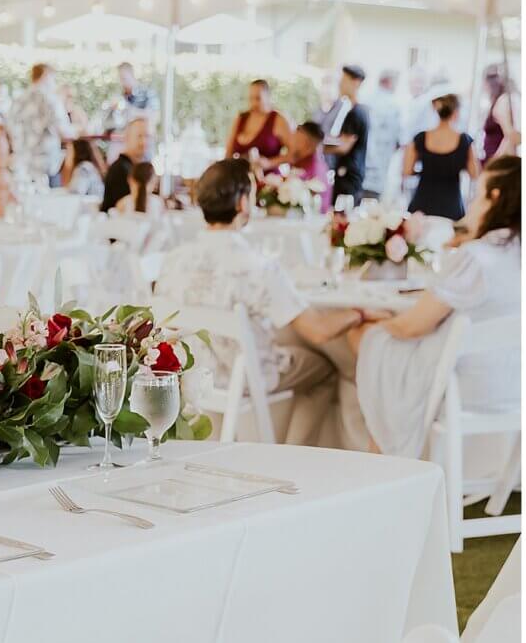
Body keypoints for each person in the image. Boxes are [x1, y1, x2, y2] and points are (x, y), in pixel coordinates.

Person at [152, 156, 370, 443]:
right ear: (242, 203)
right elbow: (318, 331)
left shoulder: (173, 260)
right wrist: (358, 314)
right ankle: (294, 451)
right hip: (242, 377)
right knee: (325, 368)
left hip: (192, 375)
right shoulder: (257, 266)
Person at [346, 154, 520, 456]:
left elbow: (412, 326)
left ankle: (376, 458)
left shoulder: (476, 257)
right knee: (380, 345)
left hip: (466, 387)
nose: (474, 203)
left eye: (478, 194)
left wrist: (379, 321)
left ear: (495, 198)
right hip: (515, 386)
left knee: (364, 337)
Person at [402, 93, 478, 224]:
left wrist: (424, 171)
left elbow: (407, 171)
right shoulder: (465, 141)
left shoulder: (420, 138)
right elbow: (474, 174)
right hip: (451, 205)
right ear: (456, 112)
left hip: (422, 203)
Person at [10, 62, 72, 186]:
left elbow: (11, 128)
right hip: (46, 163)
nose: (54, 82)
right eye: (53, 78)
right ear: (45, 75)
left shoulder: (19, 99)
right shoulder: (51, 99)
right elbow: (64, 131)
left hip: (23, 163)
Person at [322, 62, 370, 205]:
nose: (340, 85)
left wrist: (318, 146)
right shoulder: (351, 110)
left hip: (349, 177)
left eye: (343, 81)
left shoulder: (356, 113)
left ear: (356, 82)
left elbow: (344, 146)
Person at [224, 79, 291, 171]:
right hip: (240, 180)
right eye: (251, 98)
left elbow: (293, 154)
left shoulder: (279, 120)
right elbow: (228, 152)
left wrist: (270, 163)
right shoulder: (240, 118)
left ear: (268, 97)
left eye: (258, 98)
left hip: (268, 181)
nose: (253, 103)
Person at [100, 115, 155, 213]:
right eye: (139, 136)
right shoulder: (120, 170)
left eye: (147, 136)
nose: (144, 141)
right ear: (127, 138)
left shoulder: (138, 167)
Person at [363, 69, 404, 198]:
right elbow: (400, 140)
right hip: (378, 173)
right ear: (389, 82)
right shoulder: (394, 105)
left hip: (361, 171)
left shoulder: (365, 100)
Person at [100, 60, 156, 138]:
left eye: (124, 78)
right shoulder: (121, 96)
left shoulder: (147, 92)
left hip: (142, 139)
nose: (122, 82)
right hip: (123, 139)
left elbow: (153, 115)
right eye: (120, 78)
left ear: (132, 75)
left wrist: (130, 111)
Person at [286, 119, 331, 209]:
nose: (292, 138)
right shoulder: (301, 160)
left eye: (296, 135)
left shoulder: (313, 166)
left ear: (305, 140)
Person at [480, 65, 520, 161]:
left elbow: (512, 136)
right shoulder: (498, 102)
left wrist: (496, 160)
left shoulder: (502, 101)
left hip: (499, 163)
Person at [60, 135, 106, 200]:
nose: (66, 155)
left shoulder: (83, 168)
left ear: (76, 151)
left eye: (68, 150)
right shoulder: (88, 166)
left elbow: (74, 194)